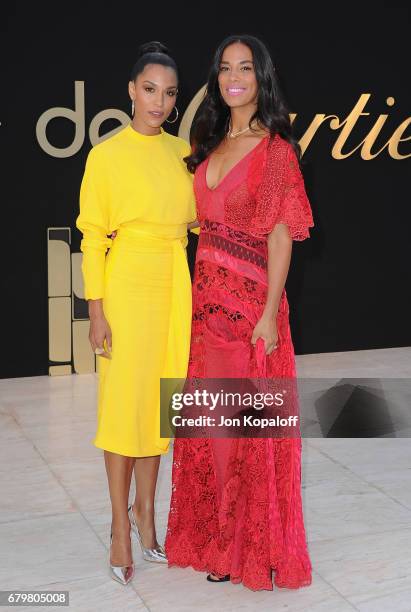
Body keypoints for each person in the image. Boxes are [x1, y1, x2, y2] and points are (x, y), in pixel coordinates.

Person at [165, 34, 314, 591]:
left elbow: (282, 239)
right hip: (205, 317)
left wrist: (271, 314)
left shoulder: (276, 149)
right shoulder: (207, 144)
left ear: (261, 78)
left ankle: (251, 549)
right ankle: (220, 541)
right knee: (215, 436)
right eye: (225, 68)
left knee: (252, 439)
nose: (234, 77)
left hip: (251, 315)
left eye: (245, 68)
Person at [76, 41, 196, 585]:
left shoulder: (183, 152)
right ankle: (120, 531)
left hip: (174, 284)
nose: (159, 102)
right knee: (125, 409)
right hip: (126, 284)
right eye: (150, 89)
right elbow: (93, 236)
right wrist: (96, 310)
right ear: (131, 90)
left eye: (169, 94)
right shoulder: (105, 155)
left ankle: (147, 519)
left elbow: (200, 224)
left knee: (160, 406)